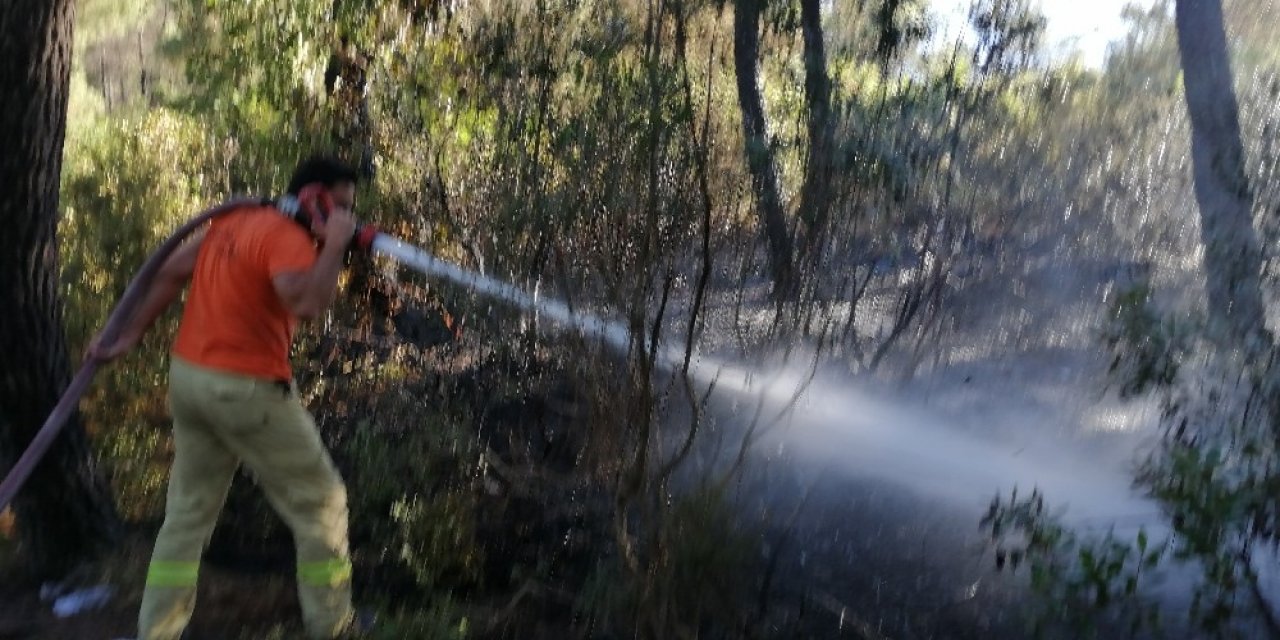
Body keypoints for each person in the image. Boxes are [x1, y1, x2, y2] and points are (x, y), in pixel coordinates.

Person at [90, 156, 363, 639]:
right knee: (323, 501)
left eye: (349, 212)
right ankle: (335, 628)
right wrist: (337, 245)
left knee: (187, 516)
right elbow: (307, 301)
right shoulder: (289, 239)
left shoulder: (236, 221)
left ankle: (156, 632)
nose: (345, 218)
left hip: (192, 380)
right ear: (313, 198)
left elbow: (173, 270)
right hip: (246, 391)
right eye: (339, 207)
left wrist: (129, 335)